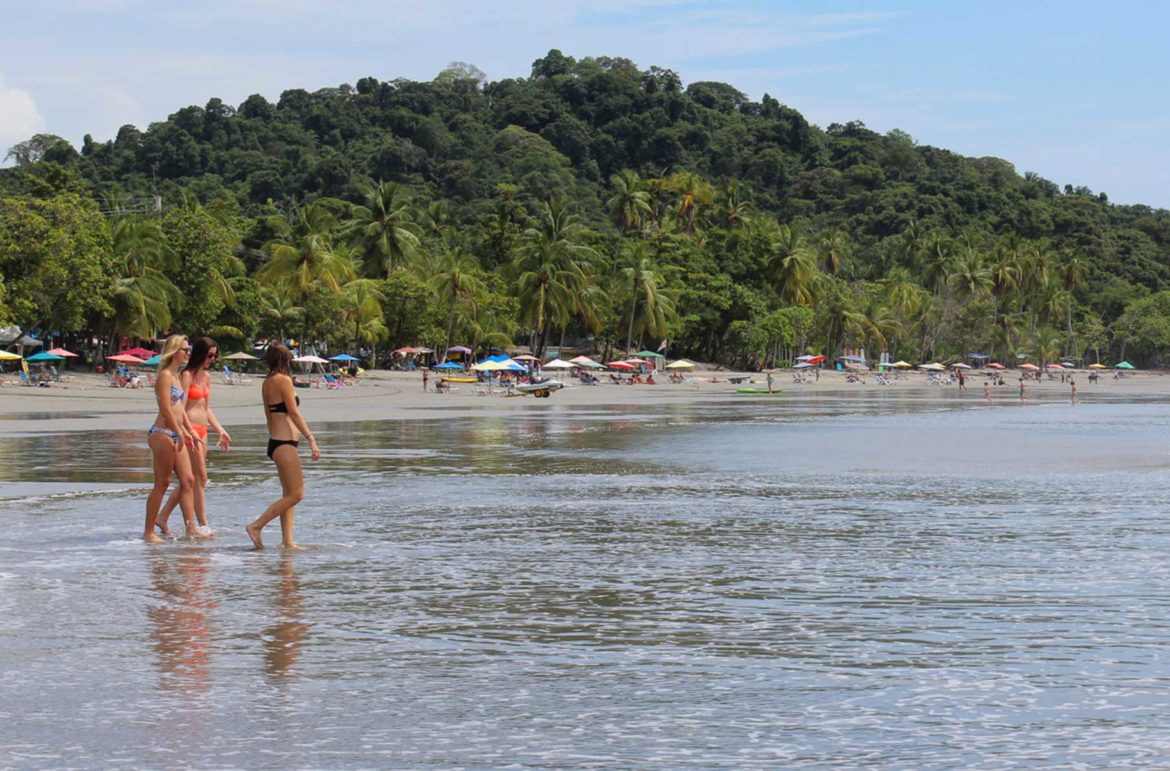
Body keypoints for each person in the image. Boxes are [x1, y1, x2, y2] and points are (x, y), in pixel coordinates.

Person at [246, 342, 320, 550]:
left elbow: (269, 415)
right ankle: (256, 526)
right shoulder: (284, 380)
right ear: (285, 359)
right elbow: (293, 412)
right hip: (285, 441)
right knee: (297, 494)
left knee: (288, 494)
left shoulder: (267, 382)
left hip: (276, 441)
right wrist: (310, 438)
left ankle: (287, 541)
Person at [157, 337, 232, 536]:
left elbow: (206, 409)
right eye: (210, 355)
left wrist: (220, 429)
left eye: (216, 356)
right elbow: (179, 408)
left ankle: (164, 516)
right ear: (199, 353)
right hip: (190, 429)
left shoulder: (206, 377)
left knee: (191, 481)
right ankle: (201, 523)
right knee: (200, 478)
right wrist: (186, 431)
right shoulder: (186, 375)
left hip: (203, 430)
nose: (213, 359)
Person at [143, 335, 204, 542]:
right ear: (174, 351)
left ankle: (191, 527)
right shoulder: (165, 376)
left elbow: (180, 409)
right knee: (162, 483)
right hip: (163, 434)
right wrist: (179, 431)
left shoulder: (177, 376)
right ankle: (149, 532)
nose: (188, 354)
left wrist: (189, 430)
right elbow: (166, 409)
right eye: (185, 350)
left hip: (176, 432)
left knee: (188, 480)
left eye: (189, 350)